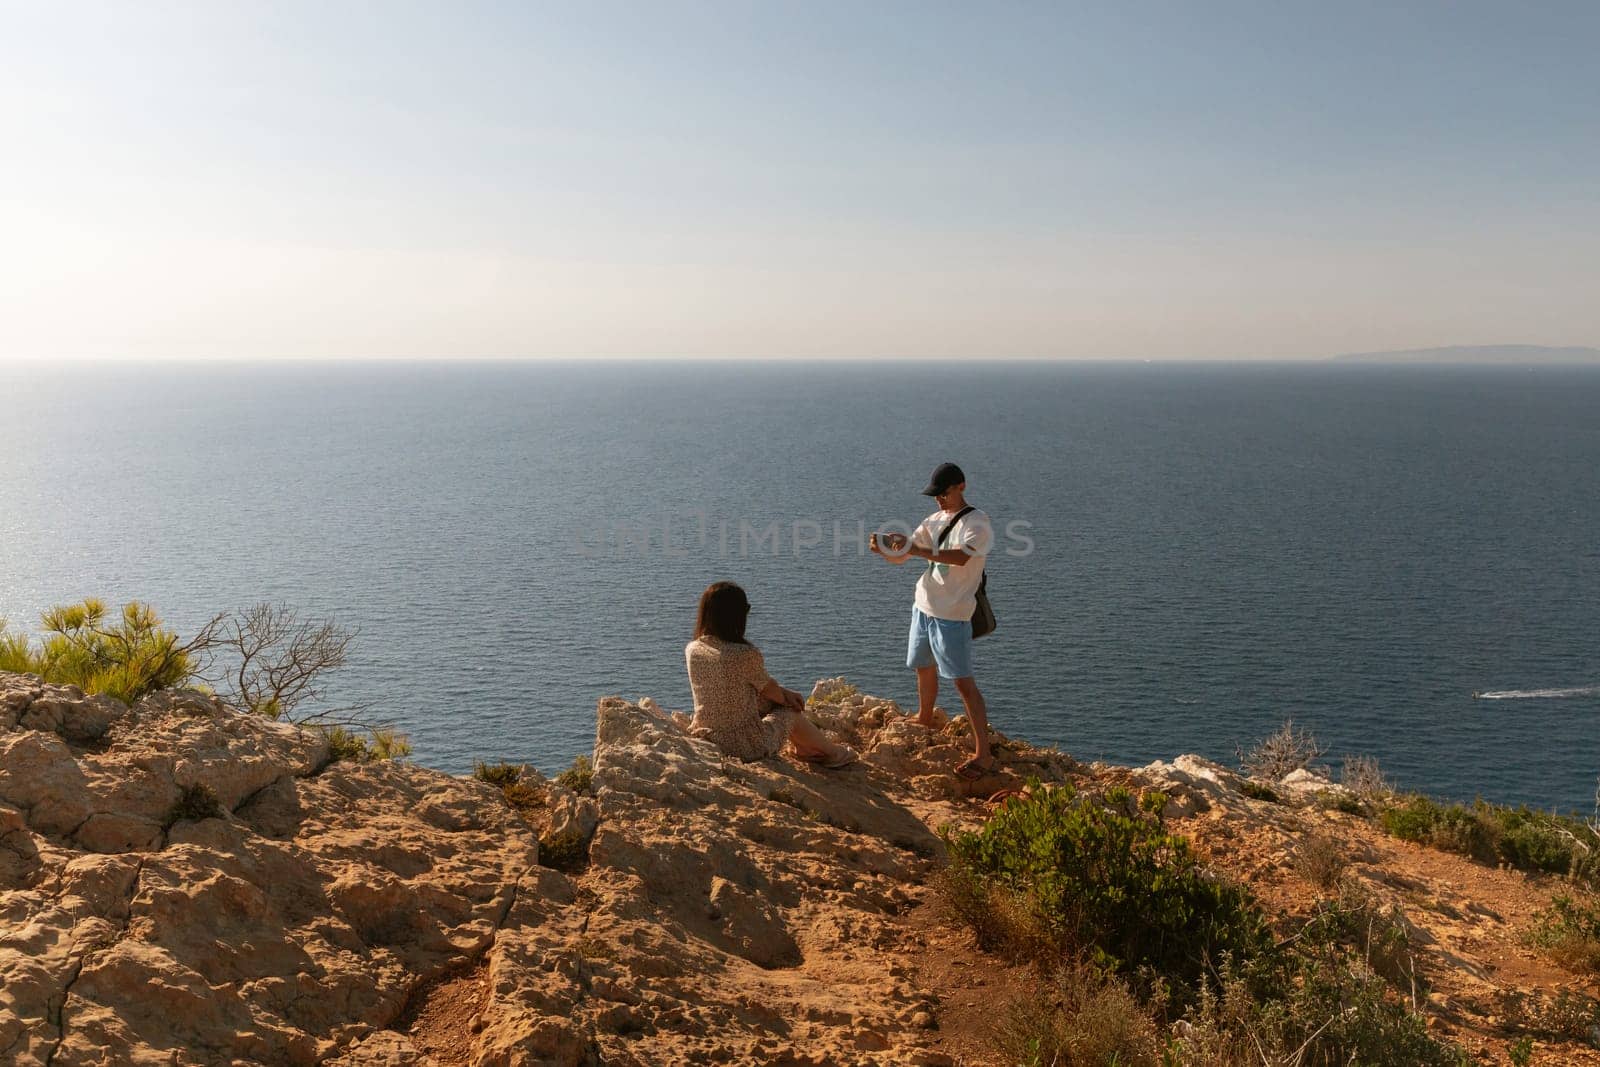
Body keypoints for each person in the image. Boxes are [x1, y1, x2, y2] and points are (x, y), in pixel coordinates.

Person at [869, 462, 996, 779]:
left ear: (961, 487)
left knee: (964, 684)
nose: (939, 500)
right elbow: (905, 556)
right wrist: (887, 549)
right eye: (935, 495)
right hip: (923, 606)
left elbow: (960, 557)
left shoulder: (977, 524)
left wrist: (913, 548)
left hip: (952, 614)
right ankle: (924, 717)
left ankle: (984, 755)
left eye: (944, 493)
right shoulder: (933, 520)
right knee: (922, 665)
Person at [685, 581, 858, 768]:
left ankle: (809, 749)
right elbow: (773, 693)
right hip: (744, 747)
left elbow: (745, 685)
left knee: (764, 700)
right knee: (790, 710)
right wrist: (787, 697)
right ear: (736, 615)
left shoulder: (693, 649)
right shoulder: (744, 654)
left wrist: (780, 693)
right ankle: (832, 754)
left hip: (706, 735)